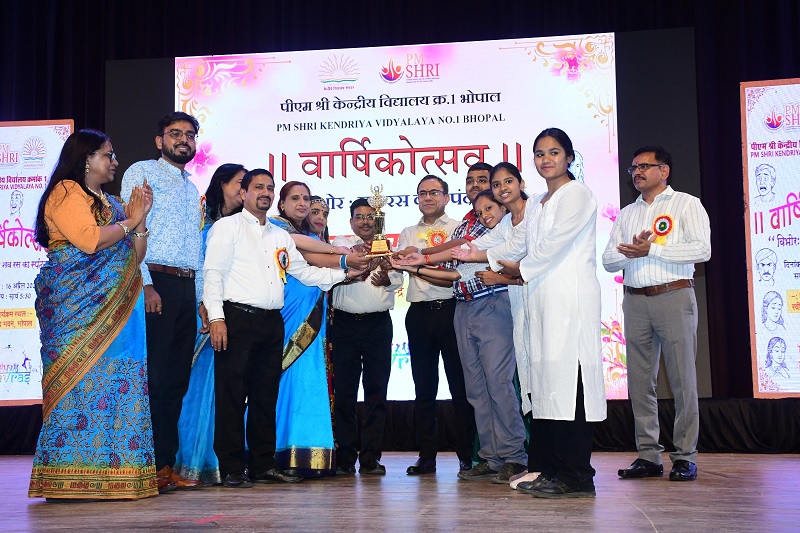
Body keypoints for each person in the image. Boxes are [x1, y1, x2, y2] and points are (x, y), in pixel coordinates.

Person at [455, 128, 607, 498]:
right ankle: (552, 468)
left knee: (570, 386)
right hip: (540, 302)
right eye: (539, 154)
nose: (546, 159)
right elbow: (514, 243)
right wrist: (469, 254)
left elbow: (553, 245)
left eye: (554, 152)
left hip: (569, 302)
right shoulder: (538, 203)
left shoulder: (577, 194)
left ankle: (577, 475)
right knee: (546, 386)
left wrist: (515, 269)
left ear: (568, 157)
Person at [203, 169, 359, 488]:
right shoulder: (227, 227)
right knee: (232, 397)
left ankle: (263, 465)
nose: (265, 192)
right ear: (244, 193)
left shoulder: (280, 236)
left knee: (265, 397)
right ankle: (232, 467)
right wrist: (217, 318)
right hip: (237, 318)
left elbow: (305, 273)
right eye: (258, 187)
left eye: (270, 188)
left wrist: (348, 274)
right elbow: (213, 273)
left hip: (272, 323)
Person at [29, 129, 156, 500]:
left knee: (119, 382)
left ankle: (117, 475)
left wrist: (140, 221)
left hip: (119, 309)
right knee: (79, 383)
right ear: (85, 159)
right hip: (77, 310)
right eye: (107, 154)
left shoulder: (113, 203)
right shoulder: (66, 191)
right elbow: (88, 241)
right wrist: (131, 221)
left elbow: (134, 257)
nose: (114, 161)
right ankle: (66, 477)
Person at [395, 168, 528, 484]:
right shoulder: (470, 224)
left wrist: (421, 260)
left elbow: (468, 256)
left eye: (489, 206)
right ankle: (491, 457)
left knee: (498, 384)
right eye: (480, 210)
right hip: (463, 307)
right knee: (476, 390)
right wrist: (417, 264)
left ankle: (514, 456)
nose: (484, 214)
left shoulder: (506, 228)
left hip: (493, 304)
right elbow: (457, 272)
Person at [603, 145, 711, 483]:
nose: (637, 172)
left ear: (664, 170)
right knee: (639, 383)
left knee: (682, 381)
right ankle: (649, 455)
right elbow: (608, 260)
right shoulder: (626, 214)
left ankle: (685, 456)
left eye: (644, 166)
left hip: (674, 296)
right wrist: (631, 253)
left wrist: (653, 249)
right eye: (633, 168)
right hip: (635, 301)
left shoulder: (687, 204)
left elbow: (702, 249)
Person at [121, 111, 204, 492]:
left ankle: (165, 466)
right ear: (159, 141)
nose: (183, 140)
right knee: (154, 379)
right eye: (175, 133)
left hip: (186, 288)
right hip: (156, 283)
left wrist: (200, 300)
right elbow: (129, 233)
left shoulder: (192, 187)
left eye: (190, 134)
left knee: (176, 381)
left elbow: (195, 249)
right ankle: (146, 466)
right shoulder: (142, 172)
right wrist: (146, 285)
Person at [397, 174, 475, 475]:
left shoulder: (458, 228)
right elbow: (401, 264)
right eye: (422, 193)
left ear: (446, 197)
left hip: (453, 310)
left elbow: (458, 264)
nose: (427, 198)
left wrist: (420, 260)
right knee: (424, 387)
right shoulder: (408, 232)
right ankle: (426, 456)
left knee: (460, 387)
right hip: (418, 314)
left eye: (434, 192)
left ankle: (467, 455)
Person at [173, 163, 247, 485]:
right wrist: (205, 305)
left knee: (229, 391)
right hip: (201, 313)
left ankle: (225, 463)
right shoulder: (200, 222)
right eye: (240, 183)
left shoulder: (248, 226)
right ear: (222, 185)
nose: (245, 190)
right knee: (196, 387)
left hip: (237, 314)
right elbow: (194, 265)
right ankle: (188, 462)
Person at [330, 198, 404, 476]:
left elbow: (399, 279)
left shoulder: (388, 248)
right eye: (359, 216)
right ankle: (345, 458)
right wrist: (356, 270)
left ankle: (371, 458)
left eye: (370, 217)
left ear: (378, 221)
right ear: (351, 222)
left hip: (378, 326)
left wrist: (388, 279)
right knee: (345, 394)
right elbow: (334, 271)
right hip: (345, 326)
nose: (365, 221)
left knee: (376, 392)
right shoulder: (341, 245)